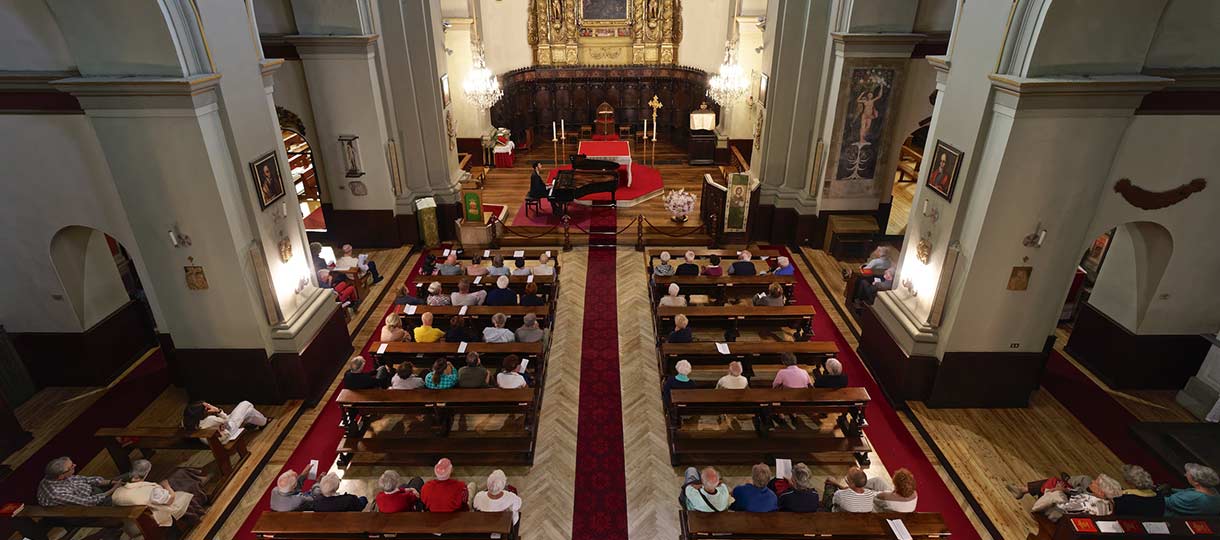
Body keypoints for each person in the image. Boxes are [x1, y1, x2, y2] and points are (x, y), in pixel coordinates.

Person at [112, 460, 193, 527]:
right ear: (146, 473)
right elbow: (170, 500)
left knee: (179, 476)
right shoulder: (151, 490)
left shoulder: (117, 493)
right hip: (153, 519)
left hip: (131, 525)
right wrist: (167, 486)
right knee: (185, 489)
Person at [37, 456, 118, 507]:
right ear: (61, 476)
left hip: (92, 491)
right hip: (88, 505)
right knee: (123, 500)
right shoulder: (56, 493)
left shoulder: (57, 477)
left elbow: (85, 480)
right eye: (71, 466)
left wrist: (111, 482)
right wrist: (112, 490)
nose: (75, 465)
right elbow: (87, 502)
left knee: (125, 478)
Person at [182, 400, 268, 443]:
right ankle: (263, 422)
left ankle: (255, 420)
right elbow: (226, 420)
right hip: (227, 436)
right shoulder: (211, 420)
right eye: (207, 405)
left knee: (248, 412)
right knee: (246, 404)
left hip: (212, 440)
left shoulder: (186, 422)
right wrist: (218, 411)